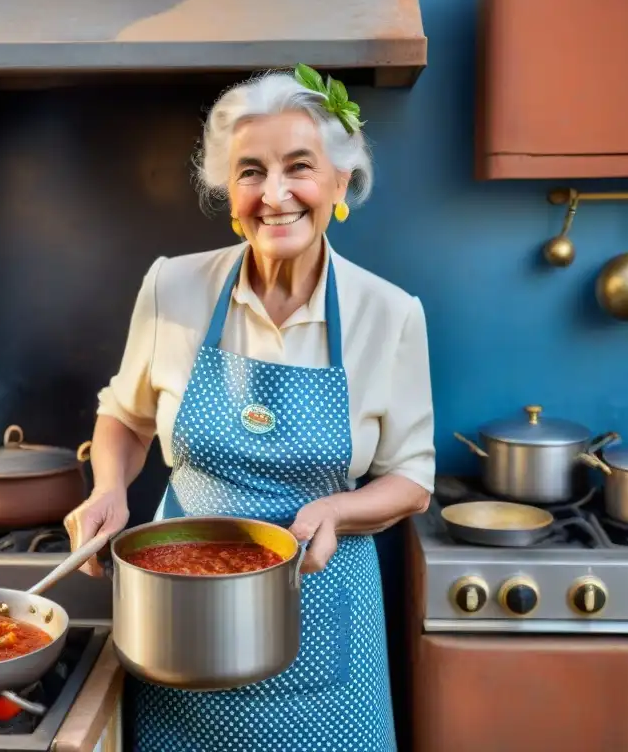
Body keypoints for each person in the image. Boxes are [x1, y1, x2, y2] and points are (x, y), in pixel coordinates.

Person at [64, 64, 436, 752]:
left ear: (340, 183)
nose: (274, 195)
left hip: (323, 612)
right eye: (249, 172)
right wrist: (109, 487)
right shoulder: (172, 286)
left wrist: (334, 511)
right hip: (180, 620)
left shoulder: (389, 315)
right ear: (226, 191)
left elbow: (411, 480)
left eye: (299, 167)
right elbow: (125, 416)